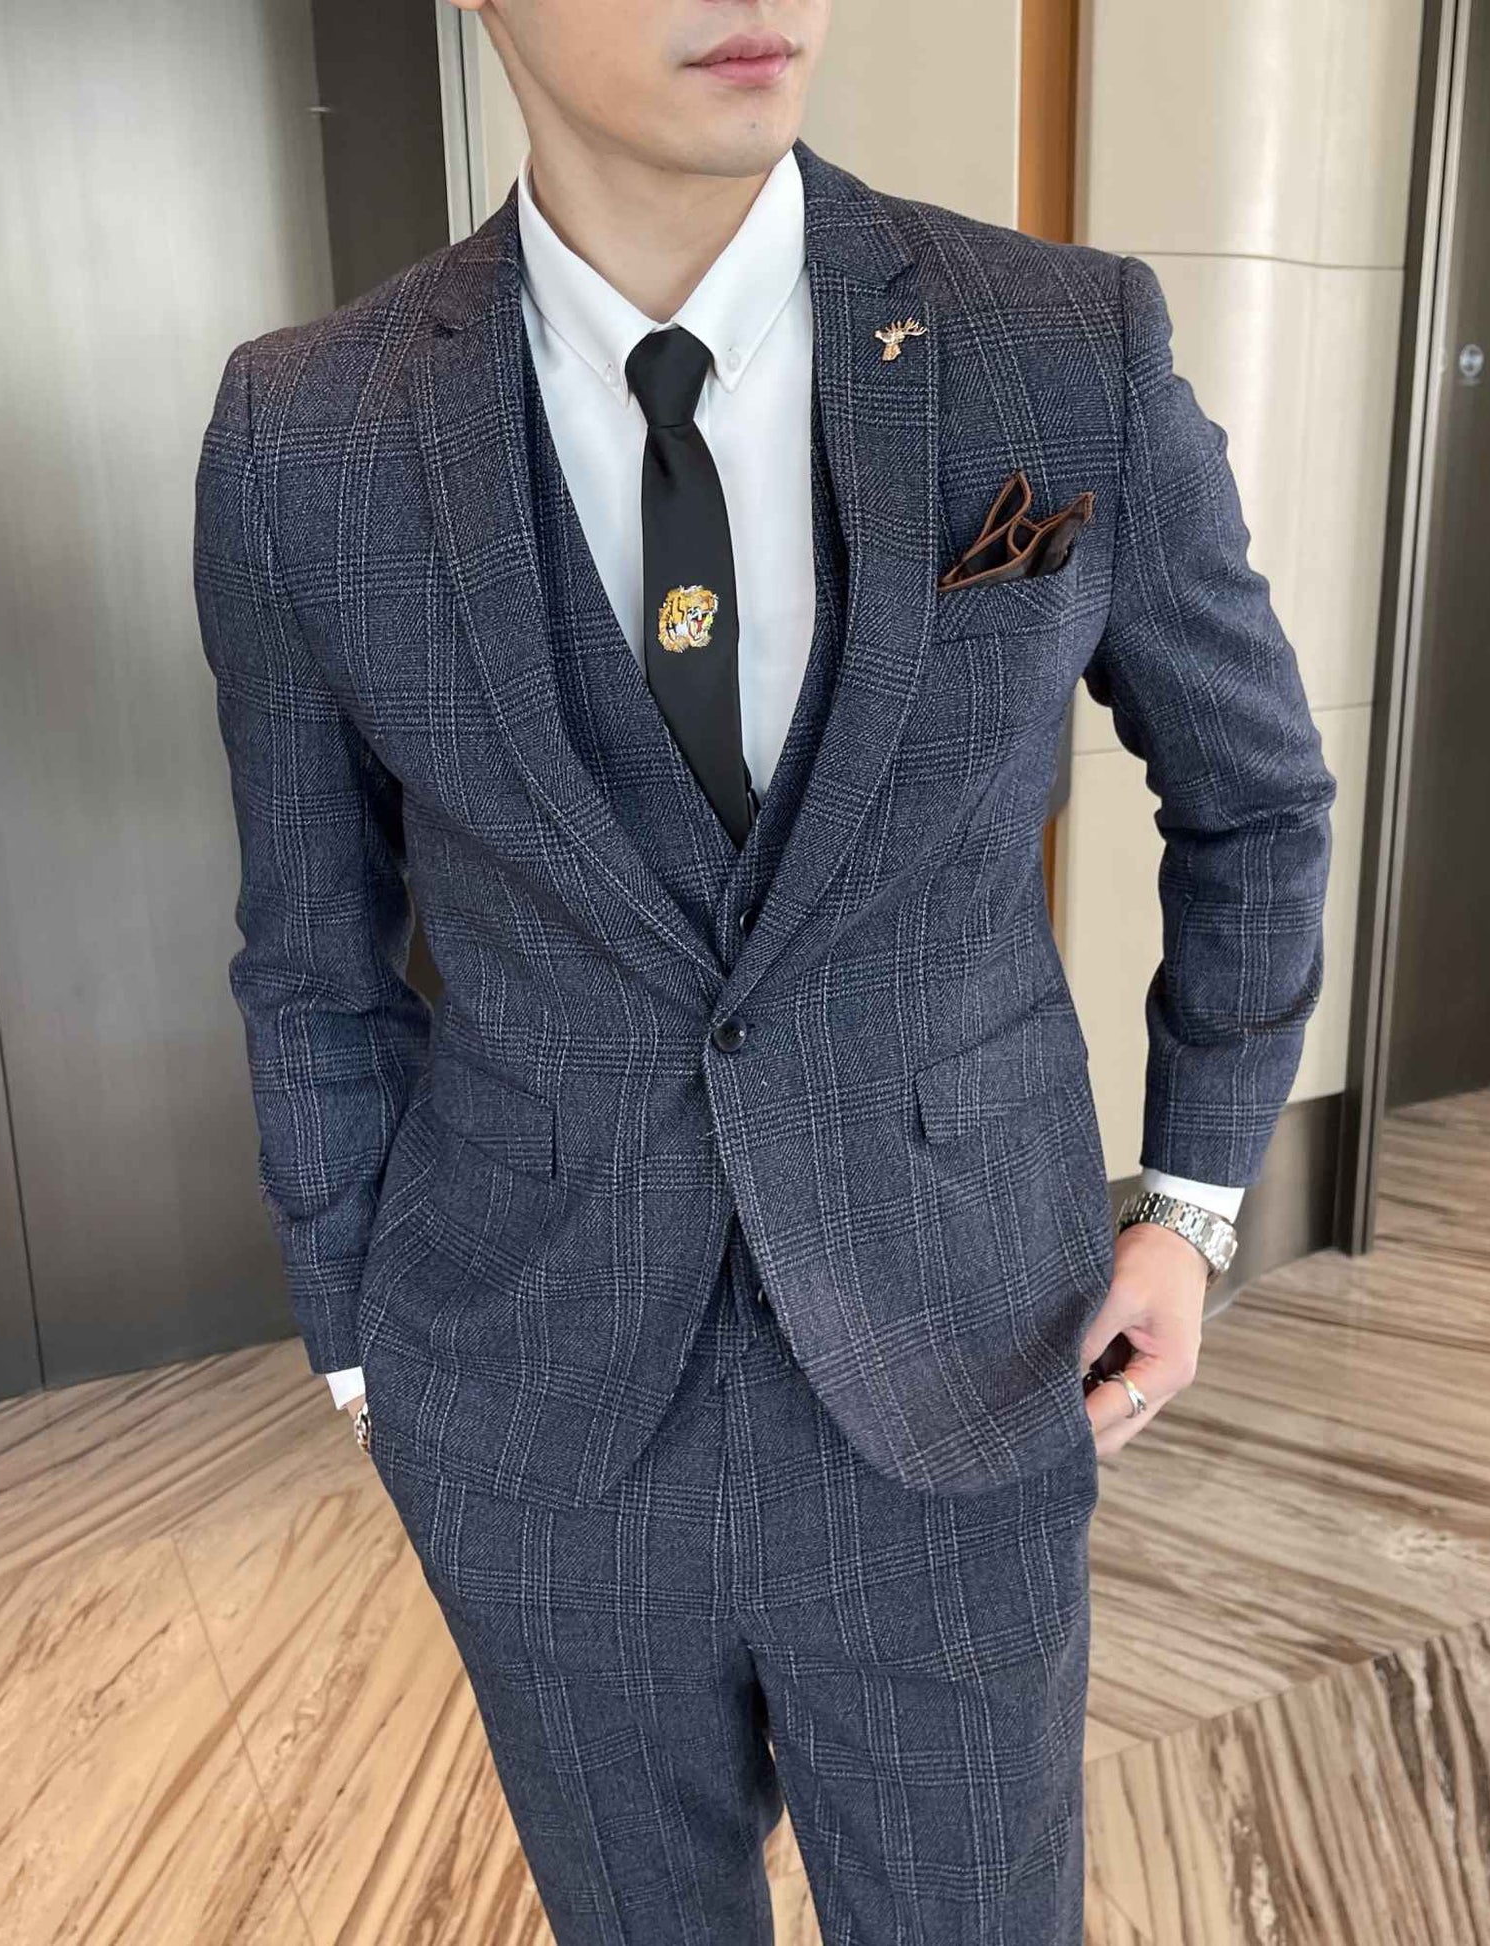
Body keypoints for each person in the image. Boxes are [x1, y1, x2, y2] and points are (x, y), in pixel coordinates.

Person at [192, 1, 1335, 1937]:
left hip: (965, 1361)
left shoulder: (1062, 347)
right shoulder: (306, 437)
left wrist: (1195, 1201)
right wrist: (368, 1354)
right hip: (528, 1399)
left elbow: (1257, 799)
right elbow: (310, 956)